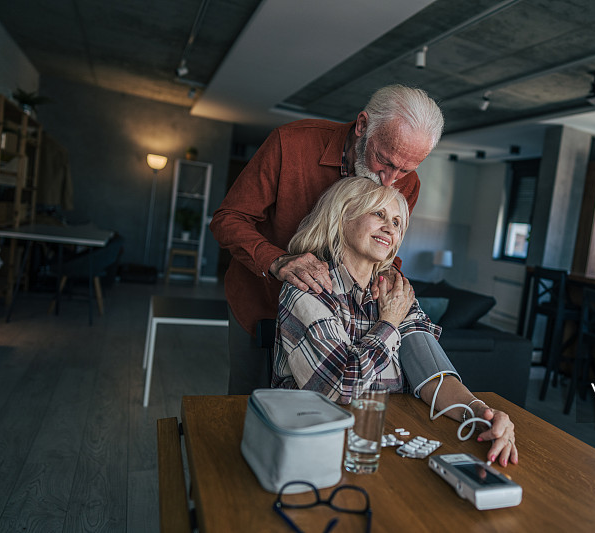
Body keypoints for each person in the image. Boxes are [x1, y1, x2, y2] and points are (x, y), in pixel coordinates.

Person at [210, 85, 444, 395]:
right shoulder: (291, 143)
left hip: (340, 321)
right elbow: (228, 219)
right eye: (384, 161)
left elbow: (384, 246)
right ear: (362, 126)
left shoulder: (406, 181)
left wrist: (392, 277)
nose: (390, 180)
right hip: (259, 300)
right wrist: (278, 261)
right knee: (249, 403)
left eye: (404, 170)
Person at [272, 178, 518, 467]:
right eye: (378, 214)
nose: (391, 227)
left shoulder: (397, 293)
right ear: (342, 216)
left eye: (398, 222)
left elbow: (433, 377)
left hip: (387, 442)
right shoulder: (309, 287)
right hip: (314, 445)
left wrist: (479, 414)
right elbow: (338, 388)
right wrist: (388, 322)